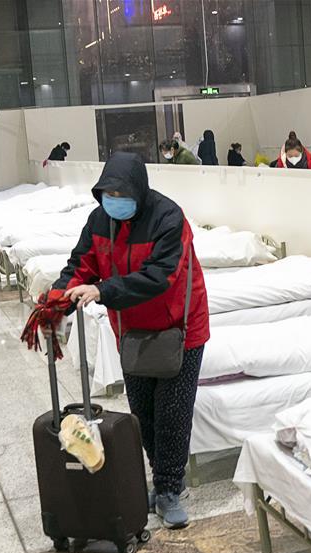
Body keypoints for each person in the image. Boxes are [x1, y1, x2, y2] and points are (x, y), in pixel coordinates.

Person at [52, 152, 210, 529]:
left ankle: (171, 489)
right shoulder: (100, 220)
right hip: (132, 330)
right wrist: (58, 302)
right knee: (144, 413)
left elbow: (160, 276)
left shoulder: (168, 218)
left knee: (172, 415)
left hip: (180, 330)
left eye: (122, 193)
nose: (114, 199)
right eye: (108, 192)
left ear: (139, 190)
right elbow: (80, 265)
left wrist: (103, 290)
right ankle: (164, 478)